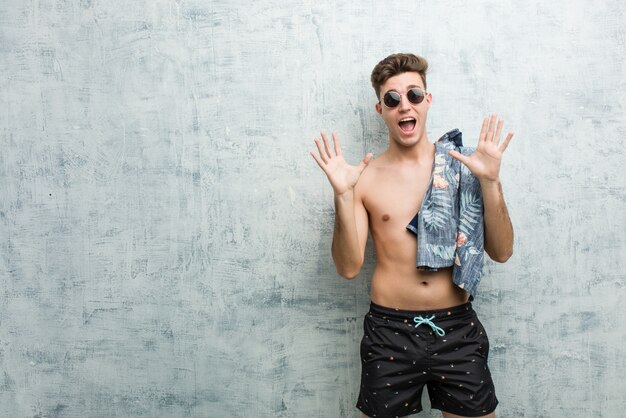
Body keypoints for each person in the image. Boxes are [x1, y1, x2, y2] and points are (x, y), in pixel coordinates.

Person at [310, 53, 514, 418]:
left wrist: (490, 181)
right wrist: (343, 195)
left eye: (414, 95)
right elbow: (348, 267)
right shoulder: (365, 178)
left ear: (427, 100)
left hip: (457, 328)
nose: (404, 105)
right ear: (381, 109)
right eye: (392, 98)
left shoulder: (464, 165)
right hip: (390, 331)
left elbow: (502, 252)